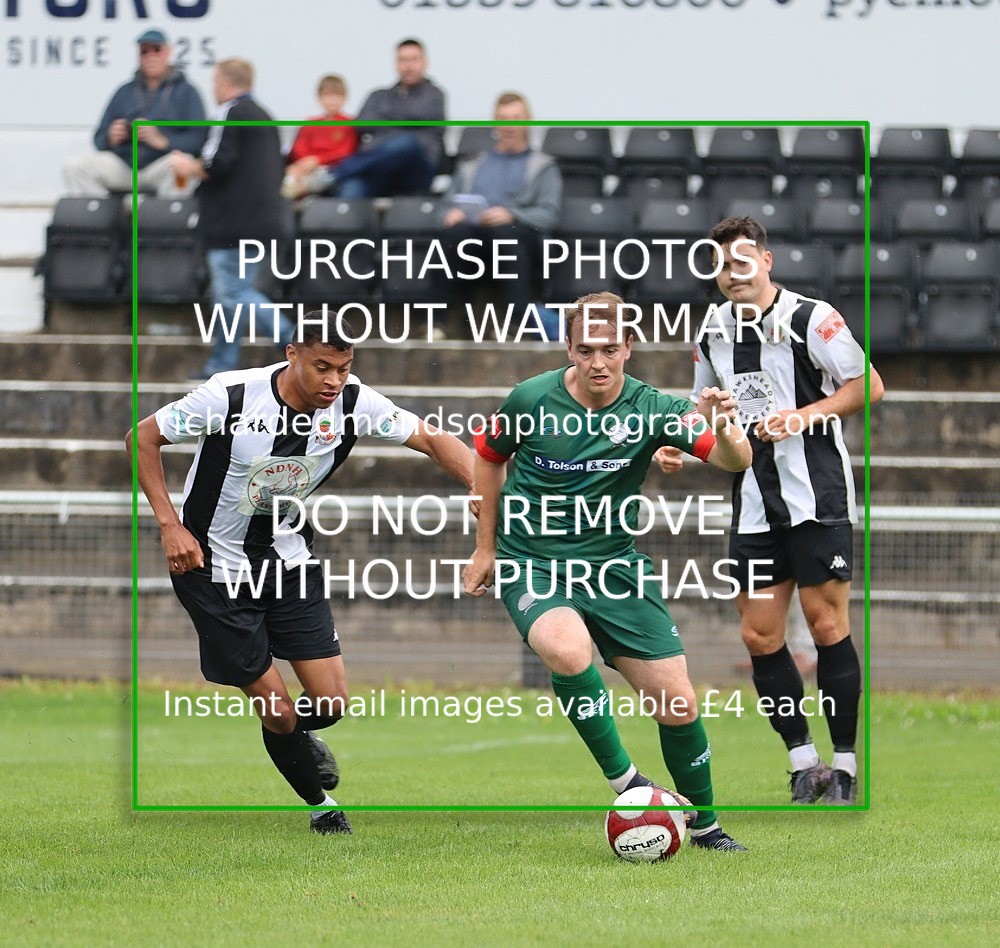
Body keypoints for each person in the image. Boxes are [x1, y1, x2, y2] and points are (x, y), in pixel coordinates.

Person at [126, 312, 475, 834]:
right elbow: (141, 438)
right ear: (292, 354)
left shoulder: (354, 402)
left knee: (331, 702)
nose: (334, 381)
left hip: (288, 563)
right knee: (278, 709)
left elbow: (430, 439)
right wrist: (169, 525)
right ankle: (320, 806)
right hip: (213, 569)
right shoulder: (232, 396)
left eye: (343, 367)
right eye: (322, 367)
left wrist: (480, 487)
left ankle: (293, 734)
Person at [463, 291, 752, 851]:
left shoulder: (654, 408)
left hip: (614, 566)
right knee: (569, 652)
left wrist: (727, 424)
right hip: (534, 561)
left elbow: (732, 461)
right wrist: (485, 549)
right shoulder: (529, 399)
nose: (598, 362)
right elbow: (490, 457)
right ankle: (629, 785)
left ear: (629, 347)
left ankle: (707, 826)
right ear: (568, 349)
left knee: (678, 703)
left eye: (610, 349)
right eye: (585, 349)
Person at [657, 216, 884, 805]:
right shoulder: (711, 328)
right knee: (759, 634)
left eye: (740, 260)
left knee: (827, 624)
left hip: (818, 497)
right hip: (754, 503)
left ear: (765, 260)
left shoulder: (812, 317)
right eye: (719, 264)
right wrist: (681, 442)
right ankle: (804, 764)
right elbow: (704, 406)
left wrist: (803, 416)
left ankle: (845, 766)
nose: (730, 274)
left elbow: (869, 385)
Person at [170, 58, 293, 380]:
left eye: (215, 81)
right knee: (227, 300)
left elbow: (215, 163)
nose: (213, 88)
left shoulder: (231, 112)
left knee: (234, 294)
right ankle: (221, 364)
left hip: (232, 224)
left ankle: (297, 342)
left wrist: (187, 167)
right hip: (262, 222)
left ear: (225, 82)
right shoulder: (266, 117)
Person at [439, 92, 562, 333]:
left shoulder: (543, 166)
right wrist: (450, 214)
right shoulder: (472, 165)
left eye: (516, 118)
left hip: (519, 238)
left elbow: (549, 215)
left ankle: (517, 320)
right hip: (476, 236)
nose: (509, 125)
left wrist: (512, 214)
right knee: (453, 235)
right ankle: (438, 323)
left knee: (506, 232)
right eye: (504, 118)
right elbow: (443, 206)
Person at [63, 29, 206, 198]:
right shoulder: (125, 92)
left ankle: (165, 221)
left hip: (160, 164)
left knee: (182, 164)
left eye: (156, 50)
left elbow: (199, 139)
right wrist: (111, 137)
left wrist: (163, 141)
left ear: (168, 52)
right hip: (126, 165)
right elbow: (98, 139)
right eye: (144, 51)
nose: (150, 56)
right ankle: (104, 217)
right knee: (75, 166)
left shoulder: (187, 92)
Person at [324, 39, 445, 198]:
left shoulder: (434, 95)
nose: (408, 66)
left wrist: (385, 120)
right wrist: (402, 122)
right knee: (352, 186)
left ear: (425, 63)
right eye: (403, 60)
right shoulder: (378, 95)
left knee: (405, 142)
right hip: (379, 168)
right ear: (395, 64)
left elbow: (418, 115)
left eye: (414, 59)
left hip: (416, 171)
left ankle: (331, 175)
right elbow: (362, 123)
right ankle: (329, 187)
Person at [280, 74, 359, 201]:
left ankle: (300, 190)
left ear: (345, 98)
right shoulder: (310, 123)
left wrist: (318, 160)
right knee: (290, 174)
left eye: (337, 96)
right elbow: (299, 147)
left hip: (332, 170)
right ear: (319, 98)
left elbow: (345, 151)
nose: (332, 101)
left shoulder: (349, 124)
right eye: (327, 96)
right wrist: (305, 162)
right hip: (306, 168)